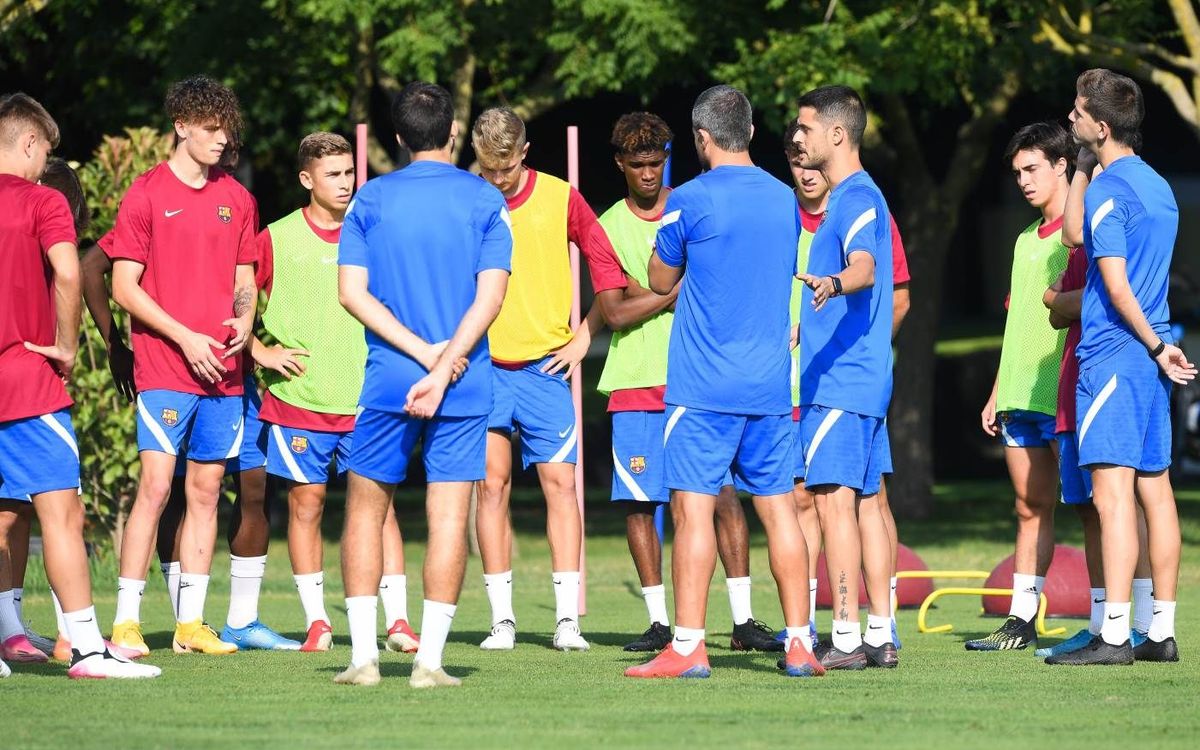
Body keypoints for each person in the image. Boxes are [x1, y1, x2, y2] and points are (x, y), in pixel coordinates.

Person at [626, 85, 822, 679]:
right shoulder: (785, 199)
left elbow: (661, 280)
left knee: (692, 512)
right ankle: (799, 644)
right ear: (753, 133)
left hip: (703, 389)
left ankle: (687, 647)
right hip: (767, 386)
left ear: (701, 139)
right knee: (780, 512)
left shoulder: (687, 199)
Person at [333, 81, 510, 687]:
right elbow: (491, 298)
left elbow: (351, 294)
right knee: (448, 517)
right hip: (461, 383)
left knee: (364, 510)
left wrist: (419, 356)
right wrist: (445, 364)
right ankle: (429, 663)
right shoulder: (486, 200)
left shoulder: (368, 200)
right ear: (455, 133)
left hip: (389, 380)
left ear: (399, 137)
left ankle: (362, 660)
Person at [593, 112, 782, 654]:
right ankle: (659, 621)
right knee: (640, 503)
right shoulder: (608, 226)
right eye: (638, 165)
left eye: (656, 163)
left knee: (724, 497)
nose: (649, 174)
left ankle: (744, 620)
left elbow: (647, 292)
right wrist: (676, 291)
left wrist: (649, 292)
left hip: (701, 382)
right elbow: (614, 311)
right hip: (635, 382)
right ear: (620, 166)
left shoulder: (697, 202)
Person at [0, 92, 159, 679]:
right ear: (29, 143)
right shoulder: (43, 201)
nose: (47, 166)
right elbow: (70, 270)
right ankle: (89, 650)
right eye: (46, 153)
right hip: (25, 381)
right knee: (61, 513)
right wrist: (67, 345)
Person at [107, 75, 258, 656]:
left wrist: (245, 321)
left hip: (225, 372)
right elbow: (124, 286)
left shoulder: (238, 197)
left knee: (207, 488)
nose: (222, 140)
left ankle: (190, 625)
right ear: (182, 126)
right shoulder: (144, 195)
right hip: (166, 368)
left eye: (227, 129)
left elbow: (244, 276)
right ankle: (125, 622)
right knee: (155, 487)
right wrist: (183, 336)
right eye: (211, 128)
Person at [1047, 69, 1192, 666]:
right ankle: (1160, 631)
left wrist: (1155, 348)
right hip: (1151, 360)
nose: (1070, 119)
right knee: (1155, 490)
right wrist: (1084, 164)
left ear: (1101, 126)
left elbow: (1115, 285)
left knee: (1112, 497)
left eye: (1078, 114)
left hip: (1115, 357)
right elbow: (1078, 232)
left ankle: (1113, 636)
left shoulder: (1113, 192)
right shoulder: (1157, 186)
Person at [470, 106, 628, 652]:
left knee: (561, 488)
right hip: (484, 369)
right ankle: (502, 621)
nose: (496, 179)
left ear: (524, 152)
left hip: (544, 370)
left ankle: (566, 621)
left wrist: (584, 336)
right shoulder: (466, 197)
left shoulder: (561, 196)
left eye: (505, 168)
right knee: (491, 487)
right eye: (487, 168)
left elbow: (607, 267)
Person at [253, 131, 417, 654]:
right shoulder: (274, 238)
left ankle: (397, 622)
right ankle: (317, 622)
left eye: (350, 173)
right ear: (307, 180)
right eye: (334, 175)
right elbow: (230, 301)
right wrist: (260, 353)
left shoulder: (373, 233)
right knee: (307, 507)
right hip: (300, 401)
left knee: (382, 510)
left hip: (369, 399)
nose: (346, 184)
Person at [781, 122, 912, 652]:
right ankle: (880, 632)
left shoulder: (854, 195)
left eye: (806, 128)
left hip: (839, 384)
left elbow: (865, 267)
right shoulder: (857, 195)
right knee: (866, 502)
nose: (798, 140)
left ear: (837, 133)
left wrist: (835, 282)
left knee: (834, 504)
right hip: (860, 383)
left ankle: (845, 636)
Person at [969, 122, 1073, 651]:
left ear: (1062, 165)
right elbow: (1016, 322)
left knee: (1099, 506)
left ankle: (1119, 617)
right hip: (1018, 395)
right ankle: (1021, 619)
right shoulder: (1022, 239)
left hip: (1061, 390)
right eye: (1016, 173)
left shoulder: (1078, 237)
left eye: (1032, 169)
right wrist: (995, 391)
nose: (1023, 182)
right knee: (1029, 509)